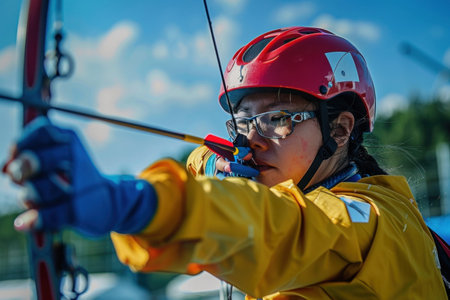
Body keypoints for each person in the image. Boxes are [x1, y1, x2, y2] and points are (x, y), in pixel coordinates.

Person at [3, 27, 448, 299]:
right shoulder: (283, 175)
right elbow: (211, 160)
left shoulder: (372, 222)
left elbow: (281, 226)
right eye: (242, 121)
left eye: (275, 119)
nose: (249, 140)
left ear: (340, 128)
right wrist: (214, 169)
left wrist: (134, 204)